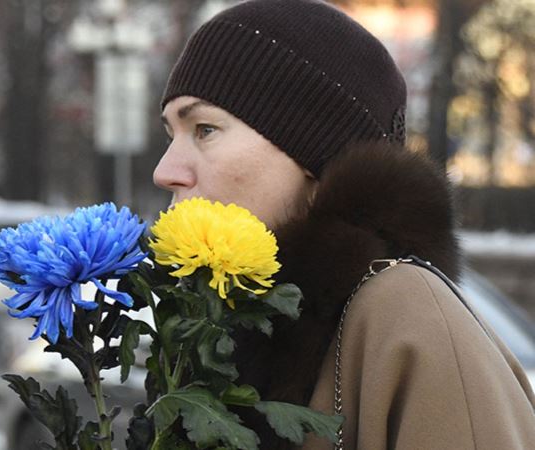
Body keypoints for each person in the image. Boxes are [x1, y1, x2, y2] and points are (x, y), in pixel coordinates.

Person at [153, 0, 535, 449]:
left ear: (314, 159)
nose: (165, 170)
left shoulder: (404, 309)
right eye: (169, 134)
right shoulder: (213, 332)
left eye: (204, 129)